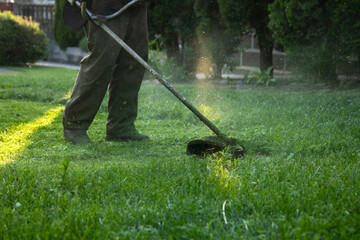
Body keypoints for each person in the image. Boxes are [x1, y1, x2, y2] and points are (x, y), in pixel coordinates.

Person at [62, 0, 149, 144]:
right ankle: (75, 124)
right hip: (103, 4)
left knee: (134, 59)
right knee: (103, 58)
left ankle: (121, 126)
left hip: (135, 3)